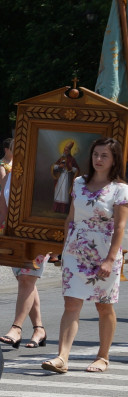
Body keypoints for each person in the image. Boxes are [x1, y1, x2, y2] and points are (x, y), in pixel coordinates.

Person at [42, 138, 125, 375]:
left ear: (114, 160)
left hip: (104, 252)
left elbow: (119, 227)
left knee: (103, 306)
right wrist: (63, 248)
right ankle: (62, 357)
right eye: (96, 154)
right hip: (75, 251)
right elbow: (70, 217)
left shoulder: (120, 189)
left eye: (104, 156)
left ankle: (103, 356)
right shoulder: (78, 182)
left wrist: (110, 259)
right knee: (71, 302)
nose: (98, 159)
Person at [0, 177, 48, 349]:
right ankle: (39, 329)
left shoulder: (39, 171)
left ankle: (17, 328)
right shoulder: (10, 176)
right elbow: (1, 211)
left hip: (37, 233)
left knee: (27, 279)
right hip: (14, 235)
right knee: (26, 281)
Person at [51, 140, 79, 214]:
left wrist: (70, 167)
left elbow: (76, 170)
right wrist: (59, 166)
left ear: (69, 151)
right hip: (60, 178)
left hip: (67, 179)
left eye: (66, 150)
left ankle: (64, 210)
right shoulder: (61, 158)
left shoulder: (72, 159)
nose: (65, 151)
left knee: (64, 193)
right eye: (64, 149)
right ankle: (57, 208)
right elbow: (54, 166)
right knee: (59, 192)